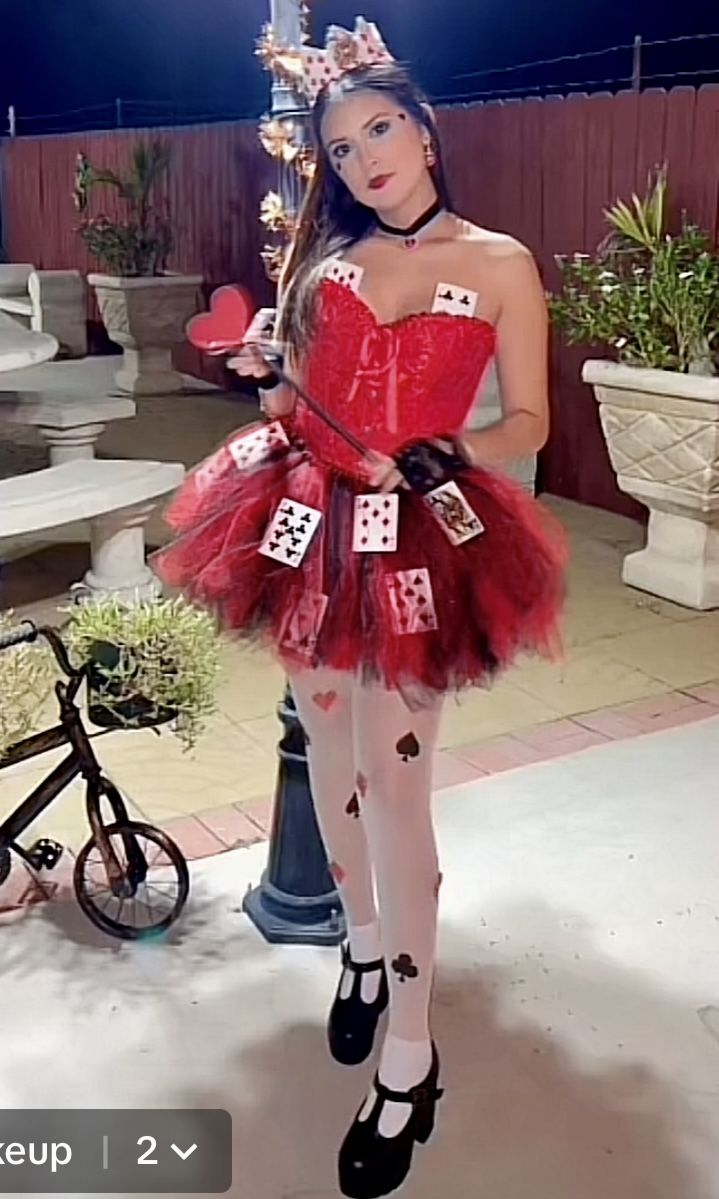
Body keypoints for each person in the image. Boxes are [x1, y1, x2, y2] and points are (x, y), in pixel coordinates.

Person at [156, 17, 566, 1198]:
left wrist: (450, 449)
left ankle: (409, 1050)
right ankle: (363, 944)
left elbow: (527, 422)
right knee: (325, 757)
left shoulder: (497, 262)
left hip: (418, 539)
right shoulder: (321, 264)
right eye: (339, 146)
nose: (363, 156)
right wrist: (271, 384)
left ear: (424, 131)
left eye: (380, 127)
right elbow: (301, 407)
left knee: (395, 779)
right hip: (305, 524)